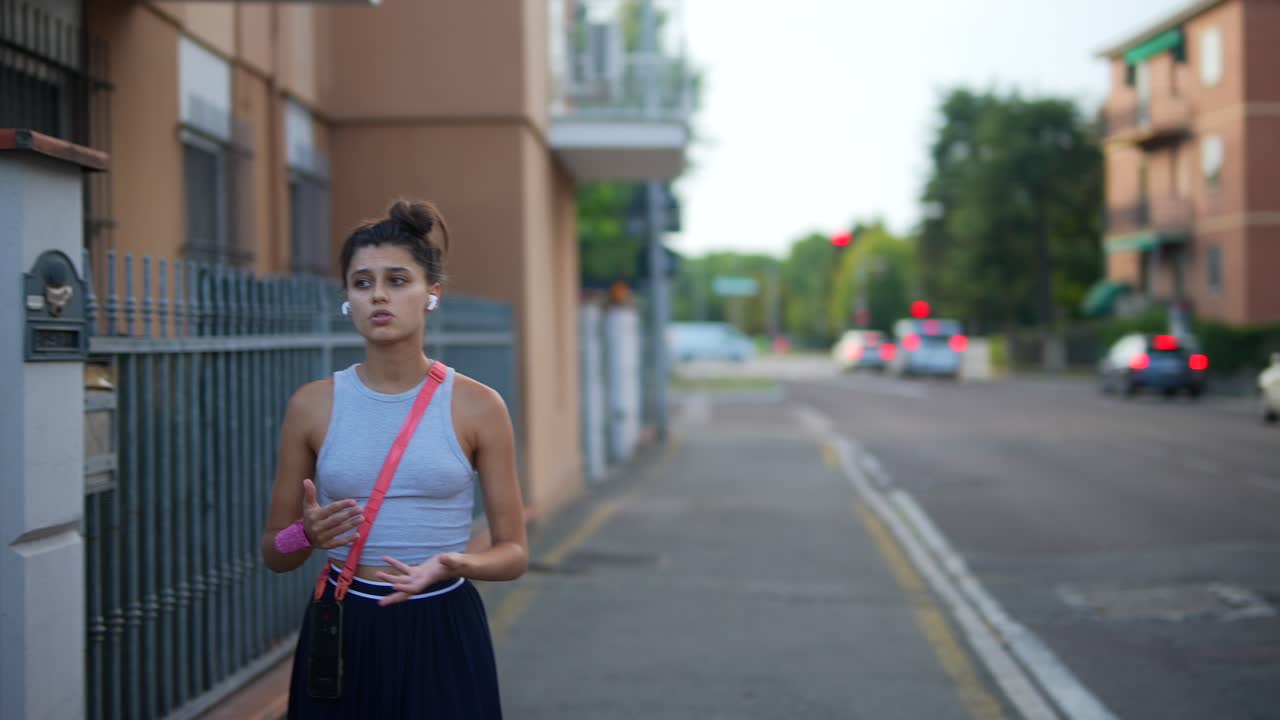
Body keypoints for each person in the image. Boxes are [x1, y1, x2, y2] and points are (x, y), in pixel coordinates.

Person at [260, 199, 527, 718]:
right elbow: (275, 551)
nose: (379, 294)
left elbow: (514, 551)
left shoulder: (478, 405)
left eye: (398, 280)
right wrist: (306, 536)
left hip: (443, 624)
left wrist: (455, 563)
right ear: (347, 300)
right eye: (362, 283)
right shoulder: (312, 405)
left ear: (432, 295)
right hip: (343, 624)